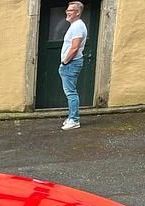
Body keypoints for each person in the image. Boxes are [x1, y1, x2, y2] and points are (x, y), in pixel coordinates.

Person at [58, 1, 88, 130]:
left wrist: (65, 62)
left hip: (71, 63)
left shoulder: (77, 26)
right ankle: (71, 117)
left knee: (71, 93)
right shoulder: (76, 25)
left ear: (77, 12)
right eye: (67, 10)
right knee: (71, 92)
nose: (67, 12)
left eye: (70, 10)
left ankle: (74, 120)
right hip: (71, 63)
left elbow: (74, 47)